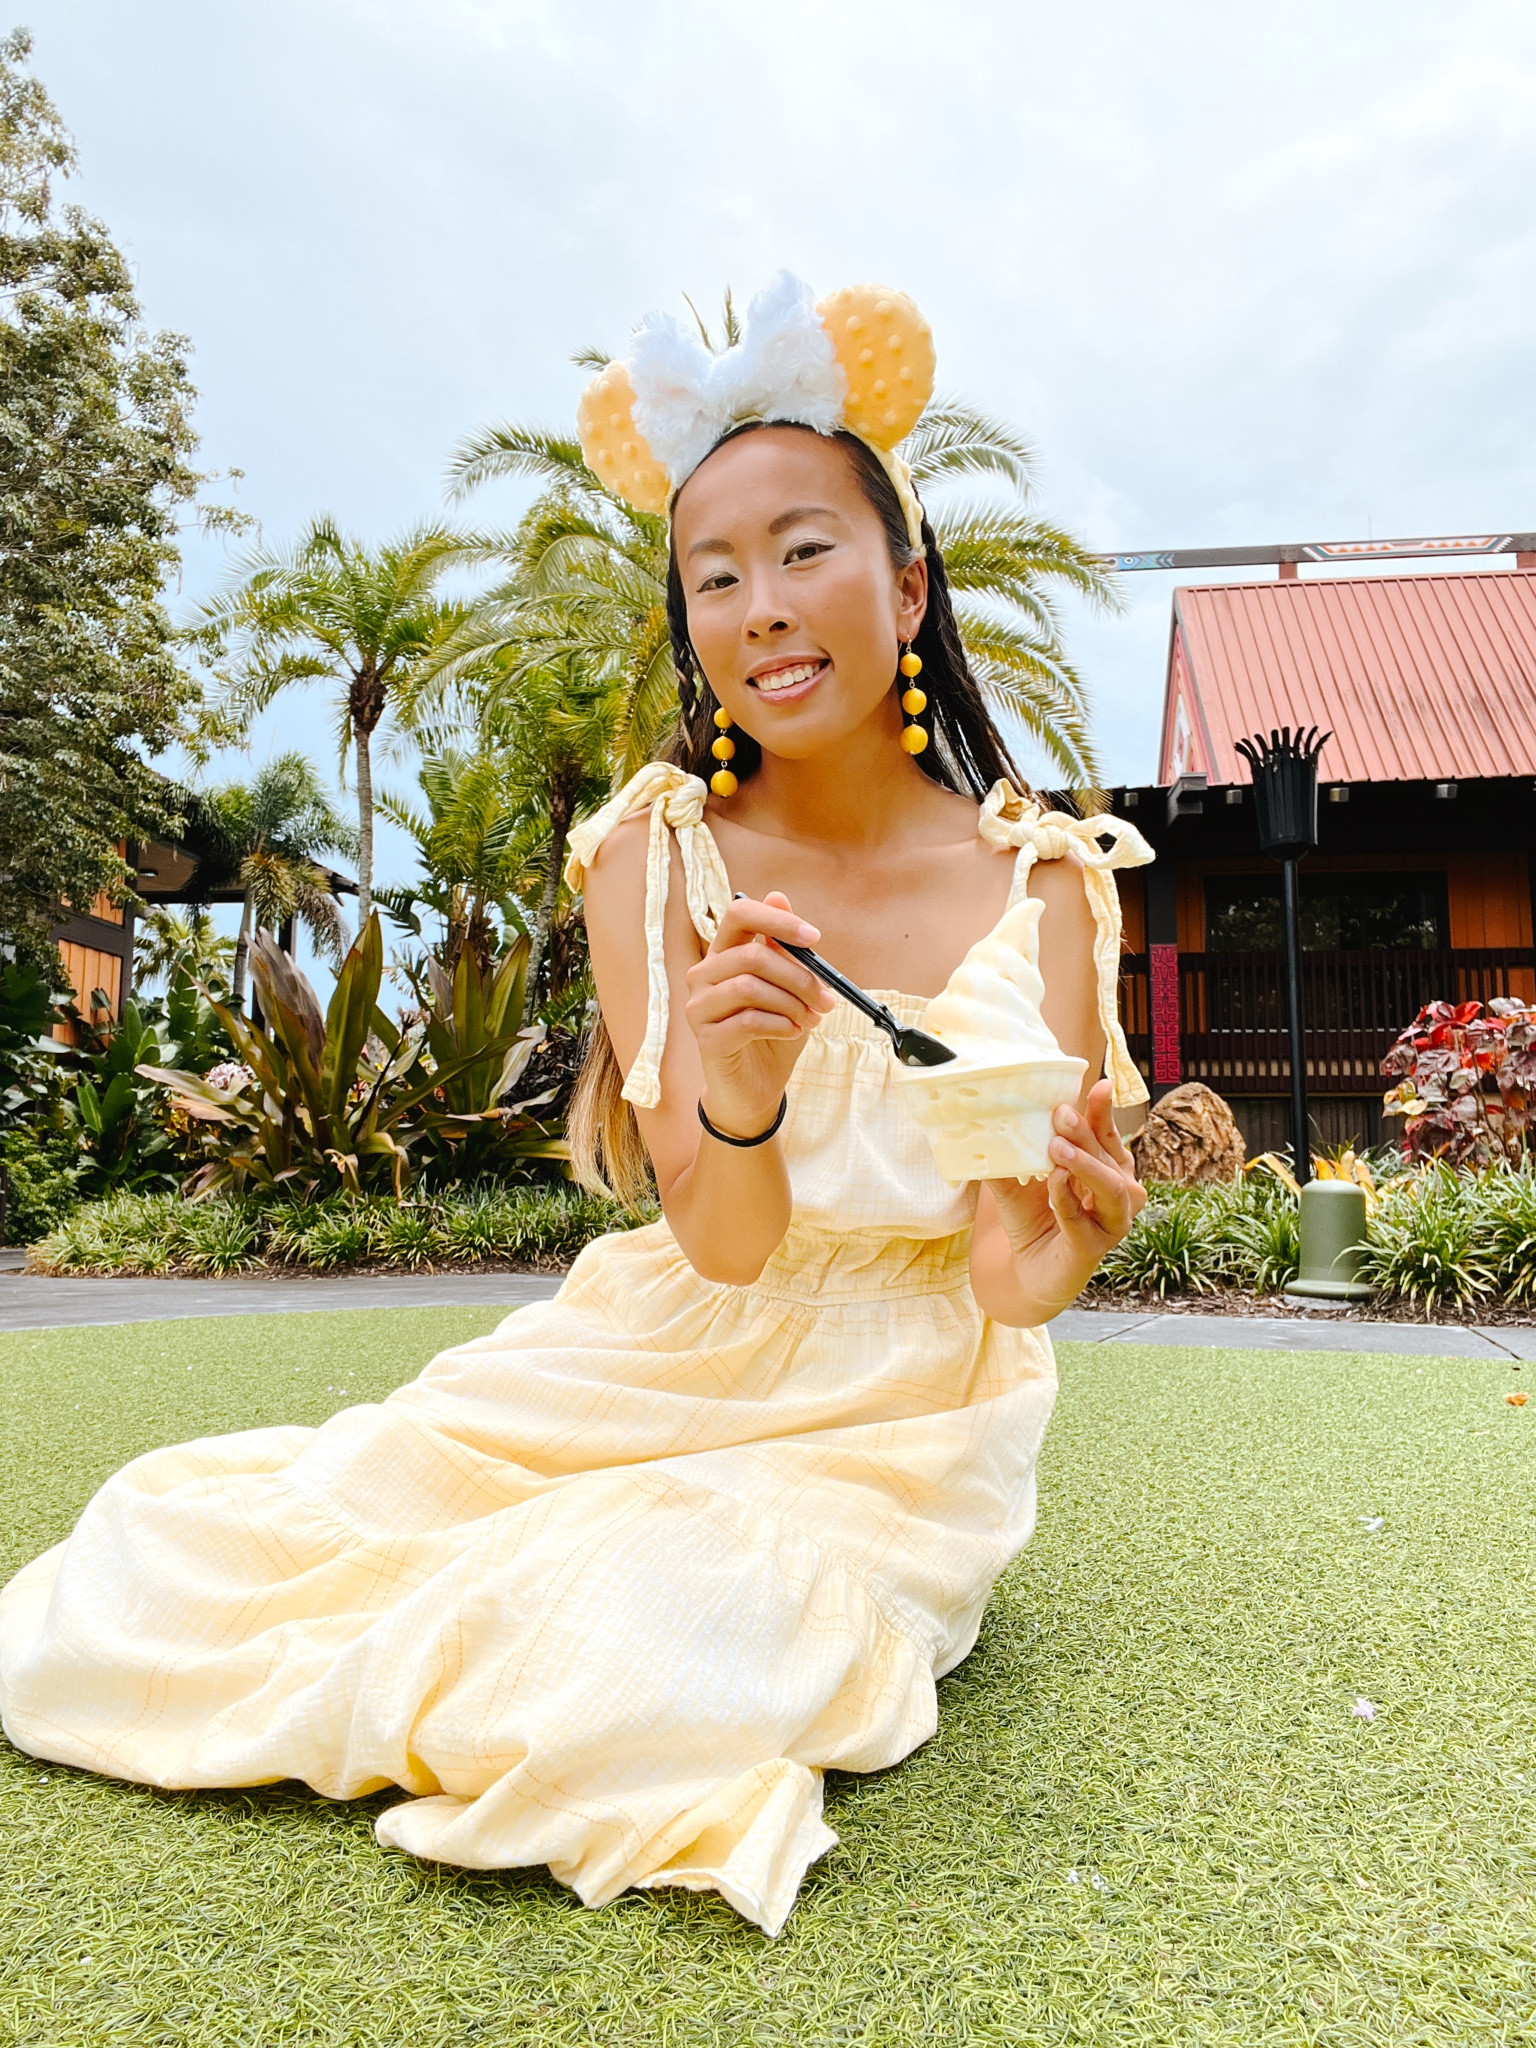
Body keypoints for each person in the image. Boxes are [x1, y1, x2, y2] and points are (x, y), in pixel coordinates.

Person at [0, 276, 1153, 1937]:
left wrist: (1050, 1273)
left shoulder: (1044, 886)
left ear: (907, 585)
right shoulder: (651, 860)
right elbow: (726, 1241)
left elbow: (999, 1267)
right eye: (716, 573)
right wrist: (738, 1092)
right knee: (203, 1557)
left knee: (630, 1648)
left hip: (900, 1421)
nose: (763, 604)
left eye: (807, 550)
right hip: (663, 1344)